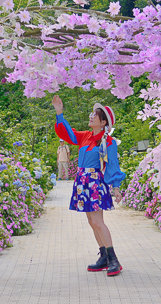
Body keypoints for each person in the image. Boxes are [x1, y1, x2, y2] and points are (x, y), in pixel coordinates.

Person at [51, 95, 126, 277]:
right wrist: (59, 112)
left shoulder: (108, 142)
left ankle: (113, 259)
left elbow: (113, 164)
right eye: (92, 113)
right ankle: (103, 256)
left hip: (95, 183)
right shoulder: (85, 136)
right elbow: (67, 133)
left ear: (103, 122)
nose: (91, 116)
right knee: (91, 221)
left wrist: (116, 187)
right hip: (82, 182)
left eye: (95, 114)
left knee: (98, 222)